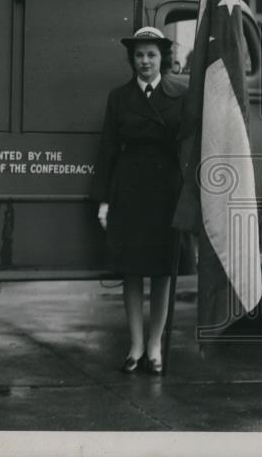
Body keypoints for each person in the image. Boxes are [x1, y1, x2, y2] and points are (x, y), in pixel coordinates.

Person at [91, 26, 187, 375]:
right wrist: (104, 201)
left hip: (166, 190)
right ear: (131, 60)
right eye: (138, 55)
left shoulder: (182, 95)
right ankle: (134, 345)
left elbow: (191, 149)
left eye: (151, 54)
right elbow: (106, 150)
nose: (144, 61)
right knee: (131, 270)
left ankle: (155, 345)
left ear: (163, 58)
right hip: (128, 188)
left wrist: (191, 196)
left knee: (162, 271)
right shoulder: (119, 97)